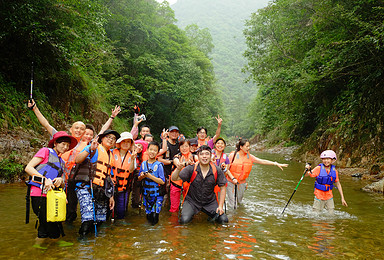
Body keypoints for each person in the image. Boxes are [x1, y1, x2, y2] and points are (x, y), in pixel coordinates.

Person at [25, 131, 77, 249]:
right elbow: (28, 168)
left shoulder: (62, 162)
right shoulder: (45, 151)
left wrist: (60, 180)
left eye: (67, 145)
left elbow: (63, 182)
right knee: (49, 221)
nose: (65, 147)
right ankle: (56, 243)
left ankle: (38, 246)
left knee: (46, 222)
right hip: (39, 193)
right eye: (63, 144)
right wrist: (44, 180)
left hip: (53, 196)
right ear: (55, 143)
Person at [74, 129, 119, 236]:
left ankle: (95, 247)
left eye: (113, 138)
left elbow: (108, 178)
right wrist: (90, 149)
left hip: (100, 190)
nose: (111, 140)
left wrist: (111, 196)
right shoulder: (94, 148)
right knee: (88, 219)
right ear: (102, 138)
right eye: (108, 137)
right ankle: (83, 245)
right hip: (85, 186)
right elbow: (77, 159)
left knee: (100, 220)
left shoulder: (110, 155)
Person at [172, 145, 228, 224]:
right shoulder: (191, 168)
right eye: (201, 154)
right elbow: (174, 178)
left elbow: (223, 187)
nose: (204, 156)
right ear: (198, 156)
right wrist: (178, 168)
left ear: (211, 156)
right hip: (192, 201)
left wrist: (220, 206)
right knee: (184, 221)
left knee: (223, 220)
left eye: (207, 154)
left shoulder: (216, 170)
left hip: (210, 202)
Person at [227, 139, 288, 209]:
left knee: (239, 202)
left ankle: (239, 215)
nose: (248, 148)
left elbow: (262, 161)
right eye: (247, 146)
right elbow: (227, 169)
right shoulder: (232, 155)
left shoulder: (249, 157)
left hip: (241, 183)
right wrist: (233, 178)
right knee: (232, 204)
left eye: (249, 146)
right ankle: (232, 217)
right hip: (231, 182)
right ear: (241, 147)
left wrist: (275, 163)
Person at [305, 150, 348, 214]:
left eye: (328, 159)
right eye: (324, 159)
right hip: (319, 196)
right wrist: (306, 169)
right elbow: (306, 175)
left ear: (332, 160)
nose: (326, 161)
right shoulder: (318, 168)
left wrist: (342, 198)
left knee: (331, 216)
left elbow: (338, 184)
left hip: (329, 196)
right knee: (315, 216)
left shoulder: (334, 171)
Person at [138, 141, 166, 225]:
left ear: (157, 153)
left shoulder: (159, 165)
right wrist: (142, 176)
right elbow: (139, 178)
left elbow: (162, 181)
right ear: (147, 150)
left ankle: (155, 235)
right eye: (151, 149)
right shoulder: (143, 164)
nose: (152, 152)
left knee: (155, 217)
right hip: (146, 195)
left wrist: (150, 176)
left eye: (155, 150)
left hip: (157, 195)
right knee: (148, 216)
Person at [111, 132, 137, 219]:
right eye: (124, 141)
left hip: (123, 188)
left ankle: (119, 228)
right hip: (110, 187)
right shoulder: (111, 152)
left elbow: (131, 170)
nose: (126, 144)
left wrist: (133, 159)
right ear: (119, 142)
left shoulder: (132, 156)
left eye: (128, 142)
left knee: (121, 211)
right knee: (108, 210)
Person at [169, 140, 198, 213]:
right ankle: (173, 222)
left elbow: (202, 160)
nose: (184, 148)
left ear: (189, 147)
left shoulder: (194, 157)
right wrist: (186, 163)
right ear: (179, 147)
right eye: (182, 146)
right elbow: (177, 163)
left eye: (186, 146)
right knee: (174, 208)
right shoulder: (177, 157)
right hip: (176, 183)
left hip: (188, 185)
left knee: (189, 207)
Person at [131, 139, 149, 208]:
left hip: (139, 177)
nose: (139, 148)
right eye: (138, 145)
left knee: (138, 193)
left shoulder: (142, 157)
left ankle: (138, 204)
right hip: (132, 177)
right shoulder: (130, 153)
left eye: (141, 147)